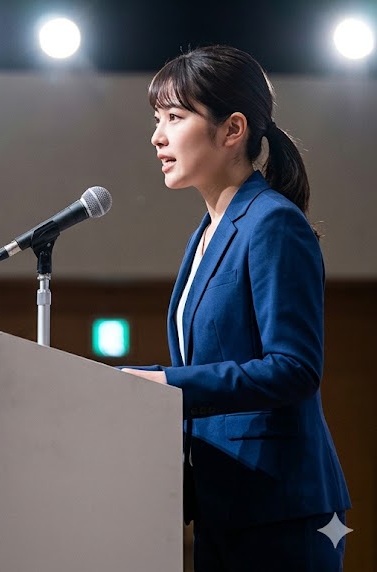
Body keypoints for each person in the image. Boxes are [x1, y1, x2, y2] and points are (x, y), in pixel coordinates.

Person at [120, 45, 351, 570]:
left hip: (280, 508)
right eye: (157, 120)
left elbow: (294, 369)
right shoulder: (206, 233)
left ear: (232, 130)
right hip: (224, 501)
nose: (157, 136)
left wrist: (166, 386)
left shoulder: (273, 223)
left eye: (175, 118)